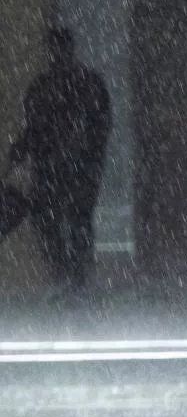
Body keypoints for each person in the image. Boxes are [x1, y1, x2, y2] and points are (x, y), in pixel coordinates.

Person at [12, 28, 111, 294]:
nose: (54, 56)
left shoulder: (83, 84)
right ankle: (69, 275)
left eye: (57, 50)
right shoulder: (47, 86)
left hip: (73, 165)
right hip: (56, 166)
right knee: (53, 220)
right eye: (51, 51)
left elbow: (100, 127)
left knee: (72, 219)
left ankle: (73, 277)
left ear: (67, 50)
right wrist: (20, 153)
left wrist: (87, 155)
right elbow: (33, 129)